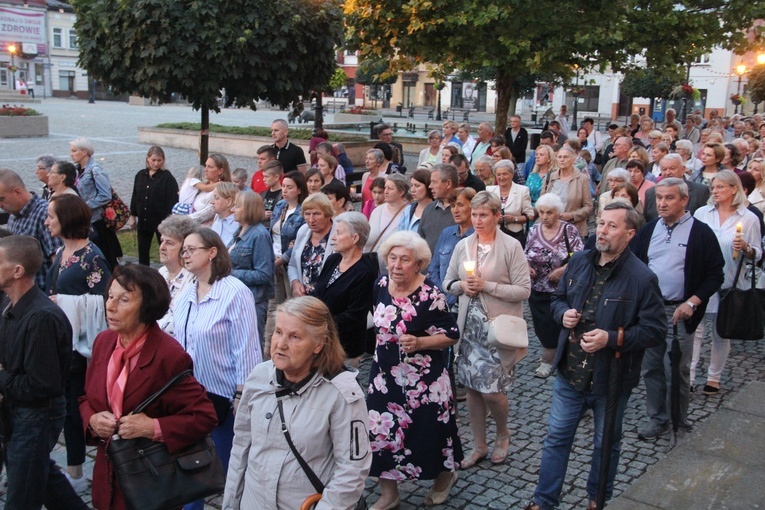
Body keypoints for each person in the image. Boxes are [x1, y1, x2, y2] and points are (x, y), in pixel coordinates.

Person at [525, 202, 667, 510]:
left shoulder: (643, 278)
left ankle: (597, 500)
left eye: (611, 226)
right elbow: (559, 298)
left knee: (606, 445)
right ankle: (543, 501)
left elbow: (655, 331)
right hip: (570, 373)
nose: (602, 230)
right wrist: (562, 314)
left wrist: (613, 338)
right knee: (556, 439)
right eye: (601, 223)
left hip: (611, 379)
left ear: (630, 234)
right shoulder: (578, 263)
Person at [80, 264, 218, 510]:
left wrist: (152, 427)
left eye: (124, 300)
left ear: (147, 307)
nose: (110, 306)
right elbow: (86, 399)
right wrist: (92, 420)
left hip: (150, 482)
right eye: (110, 296)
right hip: (107, 479)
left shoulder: (168, 355)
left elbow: (203, 416)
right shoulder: (104, 341)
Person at [222, 296, 371, 510]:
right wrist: (230, 504)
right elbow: (241, 447)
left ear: (319, 344)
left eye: (294, 337)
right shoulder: (258, 377)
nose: (281, 344)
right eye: (278, 332)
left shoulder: (342, 394)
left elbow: (352, 469)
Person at [367, 231, 463, 509]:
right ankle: (389, 493)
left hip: (424, 381)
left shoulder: (431, 294)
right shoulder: (381, 283)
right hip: (385, 376)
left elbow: (452, 334)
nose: (396, 265)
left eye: (404, 260)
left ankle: (444, 476)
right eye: (392, 258)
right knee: (379, 430)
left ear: (418, 264)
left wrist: (421, 341)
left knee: (430, 431)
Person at [443, 191, 531, 470]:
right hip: (470, 329)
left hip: (498, 329)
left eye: (483, 215)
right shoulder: (464, 246)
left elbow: (524, 290)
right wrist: (462, 287)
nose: (477, 220)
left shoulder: (511, 246)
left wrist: (487, 286)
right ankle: (479, 444)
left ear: (496, 217)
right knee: (471, 387)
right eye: (474, 215)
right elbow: (447, 282)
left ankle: (502, 433)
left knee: (493, 390)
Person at [0, 235, 89, 510]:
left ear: (17, 271)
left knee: (22, 495)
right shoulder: (8, 305)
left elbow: (42, 386)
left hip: (36, 416)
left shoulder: (42, 318)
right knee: (43, 478)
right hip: (16, 411)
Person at [633, 178, 724, 440]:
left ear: (684, 200)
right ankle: (657, 419)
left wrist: (692, 302)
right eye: (659, 198)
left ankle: (678, 420)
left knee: (678, 370)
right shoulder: (649, 230)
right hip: (651, 312)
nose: (662, 203)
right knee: (651, 367)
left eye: (669, 198)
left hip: (680, 312)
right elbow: (636, 266)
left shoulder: (701, 232)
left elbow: (715, 274)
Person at [173, 227, 262, 473]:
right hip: (189, 394)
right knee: (190, 467)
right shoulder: (186, 292)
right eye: (183, 251)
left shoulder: (234, 292)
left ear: (212, 252)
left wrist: (241, 395)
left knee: (229, 468)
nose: (186, 255)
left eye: (191, 249)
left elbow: (246, 347)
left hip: (222, 397)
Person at [45, 194, 111, 493]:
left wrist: (64, 302)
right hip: (58, 341)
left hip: (80, 347)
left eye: (52, 216)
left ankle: (77, 470)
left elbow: (103, 300)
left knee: (74, 407)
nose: (47, 221)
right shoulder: (62, 251)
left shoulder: (92, 257)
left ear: (67, 219)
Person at [691, 171, 762, 395]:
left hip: (730, 281)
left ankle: (714, 377)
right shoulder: (702, 213)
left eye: (721, 187)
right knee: (695, 329)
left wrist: (747, 249)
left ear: (734, 189)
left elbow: (757, 254)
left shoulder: (748, 218)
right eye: (714, 187)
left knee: (722, 330)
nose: (715, 191)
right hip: (702, 279)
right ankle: (689, 376)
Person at [524, 193, 584, 378]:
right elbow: (525, 254)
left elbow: (580, 257)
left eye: (549, 212)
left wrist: (564, 270)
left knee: (557, 324)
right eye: (541, 212)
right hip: (538, 289)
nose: (544, 216)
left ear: (558, 213)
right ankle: (551, 354)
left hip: (561, 290)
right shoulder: (534, 230)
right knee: (542, 326)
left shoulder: (569, 230)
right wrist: (527, 267)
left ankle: (549, 360)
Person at [312, 212, 376, 366]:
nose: (333, 237)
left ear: (355, 238)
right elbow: (318, 292)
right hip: (320, 340)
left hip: (344, 347)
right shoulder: (333, 259)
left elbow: (354, 315)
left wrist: (318, 323)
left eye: (339, 233)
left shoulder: (365, 272)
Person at [265, 171, 308, 356]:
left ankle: (291, 348)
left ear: (299, 190)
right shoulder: (280, 206)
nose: (284, 190)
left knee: (292, 304)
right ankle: (269, 347)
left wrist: (281, 260)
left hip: (288, 263)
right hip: (273, 259)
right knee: (273, 305)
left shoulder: (302, 211)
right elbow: (272, 231)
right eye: (283, 186)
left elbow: (299, 242)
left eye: (289, 187)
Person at [0, 169, 62, 289]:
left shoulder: (44, 214)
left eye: (1, 199)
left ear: (17, 192)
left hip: (41, 293)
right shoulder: (13, 214)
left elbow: (58, 263)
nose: (0, 205)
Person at [69, 137, 122, 270]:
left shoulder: (95, 170)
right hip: (86, 220)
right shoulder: (77, 171)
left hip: (97, 221)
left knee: (105, 258)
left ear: (84, 152)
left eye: (74, 151)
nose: (71, 154)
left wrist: (85, 205)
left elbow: (105, 195)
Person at [229, 191, 274, 344]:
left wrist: (231, 273)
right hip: (239, 298)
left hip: (253, 300)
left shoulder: (259, 235)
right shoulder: (239, 231)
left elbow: (264, 274)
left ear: (248, 209)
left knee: (251, 344)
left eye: (236, 206)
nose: (232, 210)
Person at [128, 146, 179, 266]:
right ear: (148, 159)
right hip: (144, 220)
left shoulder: (167, 177)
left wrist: (169, 220)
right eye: (153, 160)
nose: (156, 164)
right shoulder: (140, 175)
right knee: (143, 250)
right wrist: (132, 215)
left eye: (159, 161)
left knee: (166, 249)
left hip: (161, 220)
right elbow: (135, 196)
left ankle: (169, 271)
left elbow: (172, 200)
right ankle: (143, 274)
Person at [428, 187, 476, 310]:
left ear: (473, 207)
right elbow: (434, 268)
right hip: (445, 302)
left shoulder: (479, 236)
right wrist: (445, 294)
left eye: (460, 205)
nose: (455, 210)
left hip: (470, 303)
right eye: (453, 206)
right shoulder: (446, 233)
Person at [156, 214, 197, 335]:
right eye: (162, 241)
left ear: (185, 249)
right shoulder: (162, 272)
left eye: (169, 243)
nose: (162, 247)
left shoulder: (193, 278)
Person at [288, 193, 335, 297]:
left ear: (328, 214)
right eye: (307, 214)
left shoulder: (338, 233)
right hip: (304, 301)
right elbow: (292, 264)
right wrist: (295, 283)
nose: (311, 219)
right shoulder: (303, 230)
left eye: (317, 214)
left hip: (329, 300)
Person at [543, 146, 594, 237]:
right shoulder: (550, 177)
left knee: (570, 252)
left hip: (573, 230)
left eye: (566, 157)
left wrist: (572, 215)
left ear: (573, 160)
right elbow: (542, 202)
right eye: (559, 157)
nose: (562, 160)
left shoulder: (582, 179)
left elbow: (589, 206)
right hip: (550, 229)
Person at [643, 154, 711, 223]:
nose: (668, 172)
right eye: (664, 169)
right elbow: (647, 219)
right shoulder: (650, 192)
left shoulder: (700, 191)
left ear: (683, 169)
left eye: (672, 168)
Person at [491, 159, 533, 247]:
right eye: (498, 174)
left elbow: (530, 215)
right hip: (494, 235)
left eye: (505, 174)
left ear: (512, 174)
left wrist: (514, 219)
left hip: (515, 236)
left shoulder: (522, 190)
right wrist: (494, 219)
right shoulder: (490, 191)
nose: (501, 177)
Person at [365, 173, 410, 253]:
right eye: (385, 187)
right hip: (371, 262)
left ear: (401, 192)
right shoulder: (377, 211)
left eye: (390, 189)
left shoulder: (408, 213)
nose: (385, 191)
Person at [420, 164, 459, 253]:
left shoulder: (465, 210)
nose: (430, 186)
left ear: (448, 183)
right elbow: (420, 240)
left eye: (434, 182)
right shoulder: (429, 209)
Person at [189, 154, 232, 225]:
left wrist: (180, 219)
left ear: (220, 171)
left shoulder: (221, 191)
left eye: (210, 167)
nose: (205, 170)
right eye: (206, 166)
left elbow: (204, 215)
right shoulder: (204, 184)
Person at [210, 181, 240, 247]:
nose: (211, 202)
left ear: (229, 201)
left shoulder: (238, 224)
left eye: (216, 198)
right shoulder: (217, 217)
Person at [260, 160, 284, 228]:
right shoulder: (262, 194)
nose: (263, 179)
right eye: (263, 176)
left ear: (276, 177)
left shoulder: (284, 196)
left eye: (266, 177)